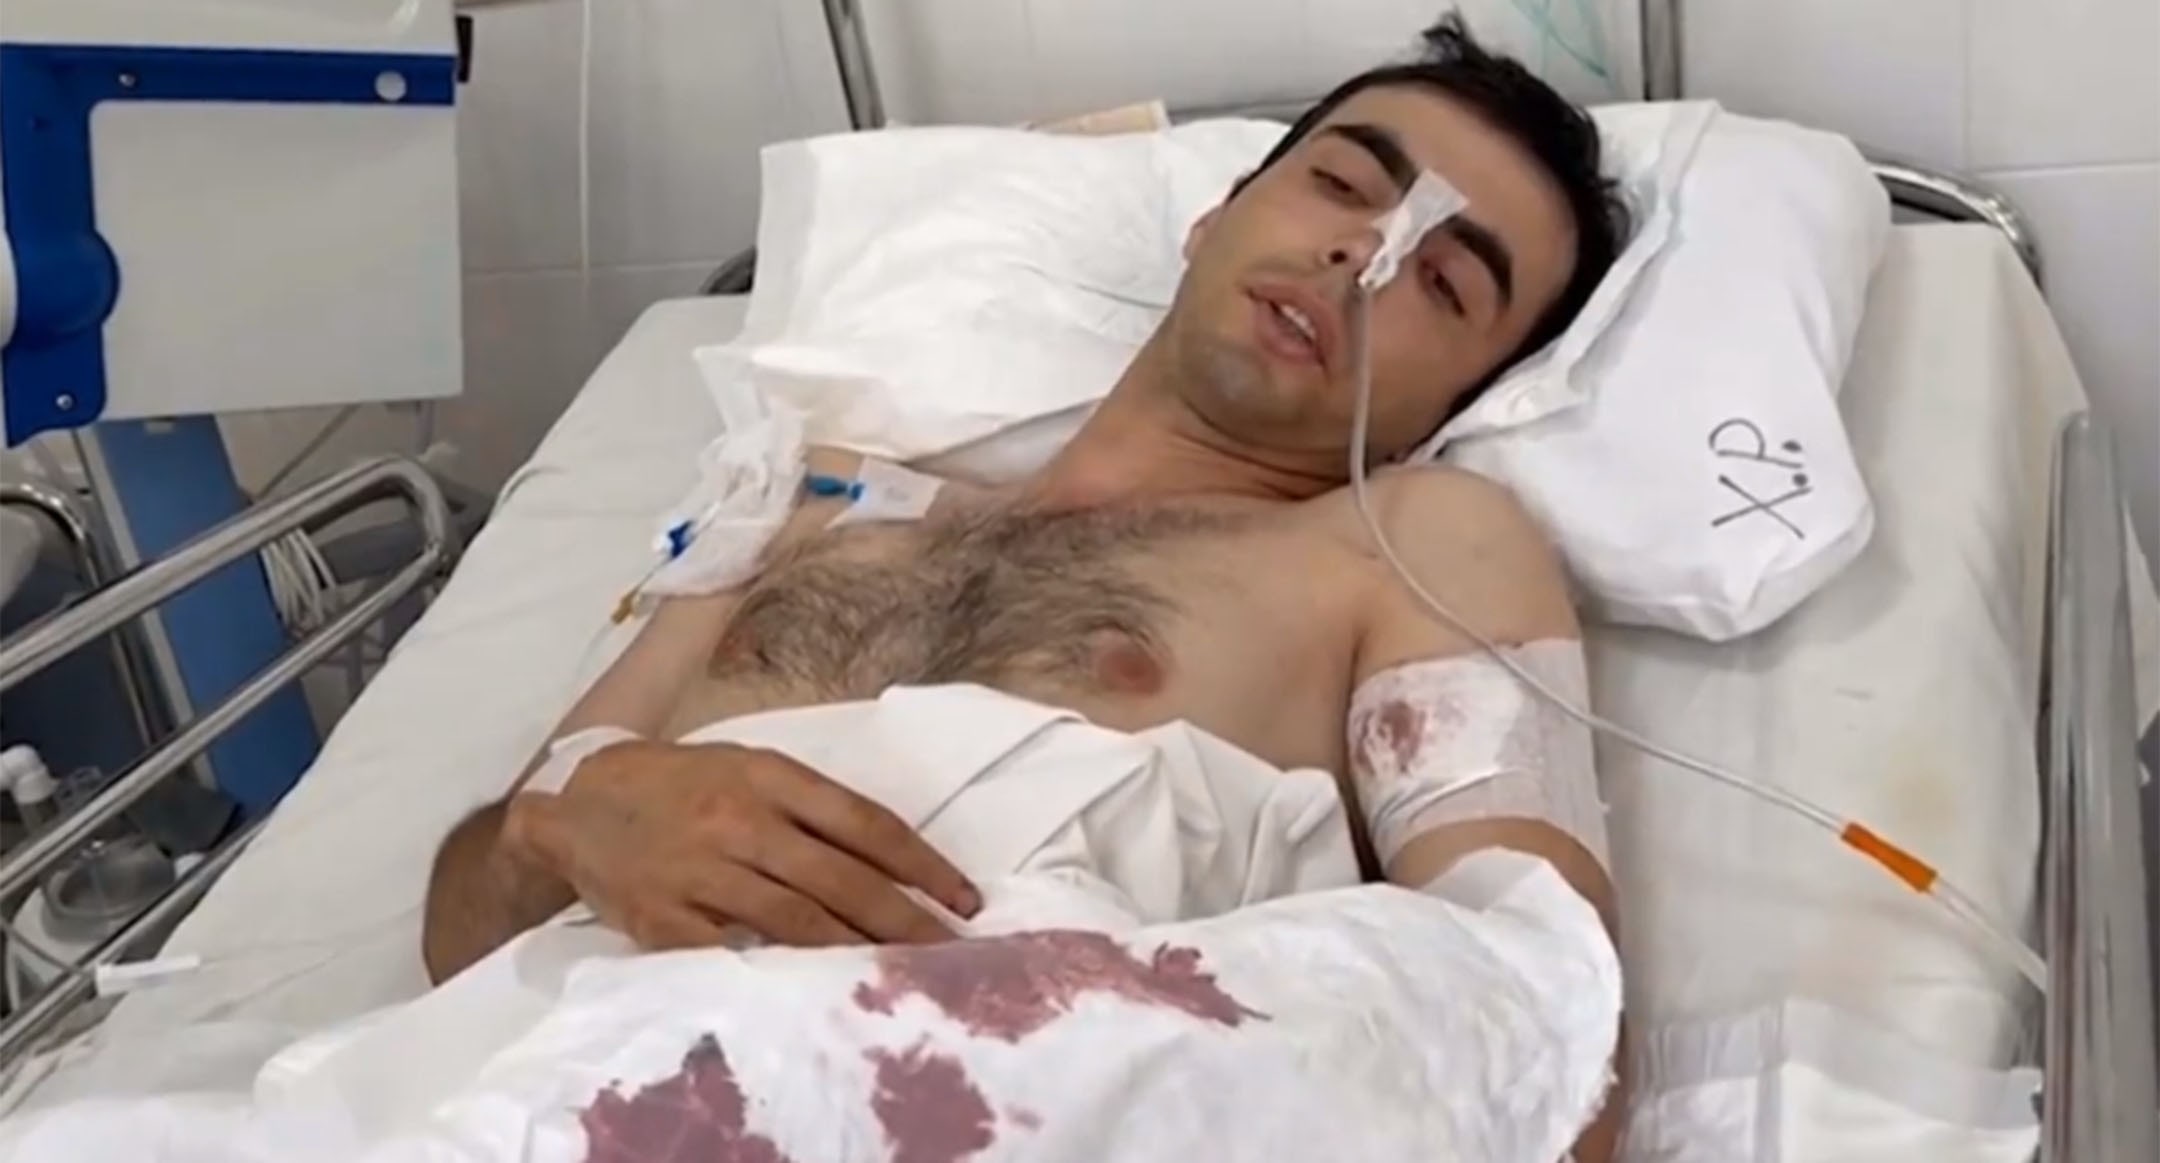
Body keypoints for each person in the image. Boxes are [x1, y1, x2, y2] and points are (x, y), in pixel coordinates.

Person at [425, 16, 1630, 1156]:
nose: (1366, 253)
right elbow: (457, 933)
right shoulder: (805, 506)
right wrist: (564, 827)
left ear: (1457, 407)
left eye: (1445, 285)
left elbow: (1545, 1028)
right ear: (1212, 218)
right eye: (1342, 184)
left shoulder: (1410, 542)